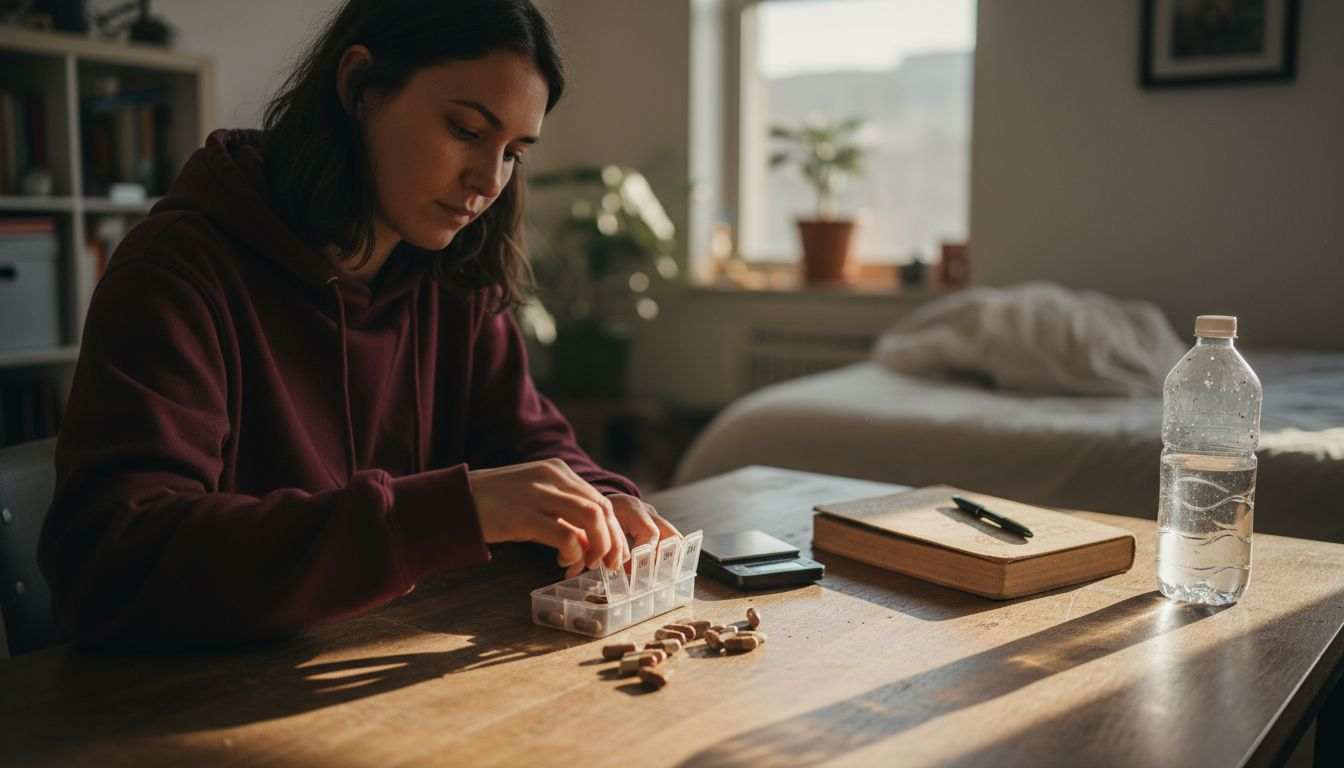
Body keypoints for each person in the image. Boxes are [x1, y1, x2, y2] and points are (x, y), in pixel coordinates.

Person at [37, 0, 677, 650]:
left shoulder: (451, 279)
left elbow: (529, 442)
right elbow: (110, 563)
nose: (488, 181)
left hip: (386, 685)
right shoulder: (177, 270)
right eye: (465, 130)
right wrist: (447, 513)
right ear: (360, 88)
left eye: (514, 151)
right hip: (192, 707)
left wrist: (598, 498)